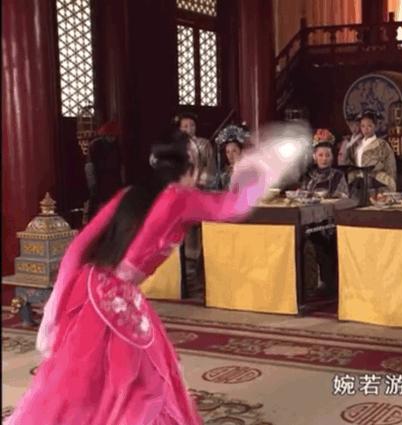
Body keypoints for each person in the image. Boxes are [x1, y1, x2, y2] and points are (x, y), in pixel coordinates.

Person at [6, 139, 294, 424]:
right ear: (191, 169)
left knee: (91, 376)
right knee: (143, 381)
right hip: (115, 296)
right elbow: (231, 207)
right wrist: (265, 166)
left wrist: (57, 305)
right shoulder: (180, 197)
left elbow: (79, 246)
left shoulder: (132, 194)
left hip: (93, 285)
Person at [340, 110, 397, 196]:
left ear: (375, 126)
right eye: (363, 126)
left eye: (369, 126)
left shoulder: (382, 144)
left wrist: (390, 181)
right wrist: (348, 147)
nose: (366, 129)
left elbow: (390, 165)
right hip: (357, 179)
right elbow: (348, 163)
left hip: (375, 179)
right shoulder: (356, 145)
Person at [299, 128, 349, 198]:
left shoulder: (338, 175)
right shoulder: (308, 175)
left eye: (327, 155)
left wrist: (338, 195)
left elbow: (345, 197)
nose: (324, 159)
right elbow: (301, 196)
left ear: (332, 157)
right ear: (314, 156)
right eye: (320, 155)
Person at [176, 112, 216, 190]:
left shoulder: (204, 143)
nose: (189, 128)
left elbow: (210, 165)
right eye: (185, 126)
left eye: (192, 125)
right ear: (180, 129)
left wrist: (201, 183)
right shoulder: (175, 145)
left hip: (199, 186)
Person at [214, 123, 250, 190]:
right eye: (228, 152)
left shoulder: (247, 170)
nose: (230, 155)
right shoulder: (223, 173)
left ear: (241, 151)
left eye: (234, 151)